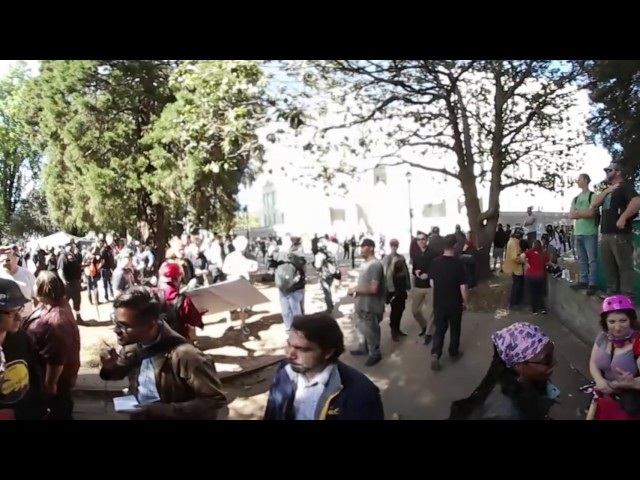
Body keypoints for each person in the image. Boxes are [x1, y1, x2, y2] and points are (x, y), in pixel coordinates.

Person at [99, 287, 227, 420]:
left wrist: (166, 410)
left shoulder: (187, 357)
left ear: (149, 326)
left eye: (124, 326)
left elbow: (214, 400)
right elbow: (119, 372)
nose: (116, 330)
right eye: (115, 322)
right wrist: (110, 368)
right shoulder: (132, 344)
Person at [264, 312, 384, 420]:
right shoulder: (285, 371)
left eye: (302, 349)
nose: (290, 354)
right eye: (289, 345)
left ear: (328, 352)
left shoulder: (361, 394)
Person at [448, 322, 558, 420]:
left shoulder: (526, 378)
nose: (554, 362)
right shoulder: (504, 413)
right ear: (518, 365)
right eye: (546, 360)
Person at [23, 271, 81, 420]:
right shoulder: (48, 304)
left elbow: (56, 358)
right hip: (39, 373)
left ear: (44, 288)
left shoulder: (57, 320)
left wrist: (50, 384)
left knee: (57, 412)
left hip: (53, 381)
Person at [586, 295, 640, 420]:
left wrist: (632, 384)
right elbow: (593, 362)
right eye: (612, 322)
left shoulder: (638, 343)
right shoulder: (603, 337)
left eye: (623, 321)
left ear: (631, 320)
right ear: (605, 322)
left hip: (627, 405)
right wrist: (599, 380)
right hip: (604, 400)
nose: (617, 327)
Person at [0, 278, 46, 420]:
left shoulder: (21, 338)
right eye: (12, 312)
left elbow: (34, 377)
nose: (19, 318)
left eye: (20, 309)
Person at [428, 234, 468, 371]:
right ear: (455, 246)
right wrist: (465, 301)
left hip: (439, 302)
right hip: (454, 302)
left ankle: (435, 353)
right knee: (455, 328)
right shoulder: (458, 263)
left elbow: (432, 282)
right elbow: (463, 286)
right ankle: (453, 352)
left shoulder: (435, 262)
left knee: (439, 329)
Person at [348, 238, 386, 366]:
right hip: (361, 303)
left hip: (370, 305)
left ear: (371, 248)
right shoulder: (365, 264)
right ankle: (363, 347)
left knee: (371, 330)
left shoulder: (375, 265)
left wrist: (355, 289)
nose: (361, 250)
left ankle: (375, 353)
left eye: (363, 247)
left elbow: (374, 288)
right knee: (362, 328)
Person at [382, 239, 410, 341]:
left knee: (401, 309)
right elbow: (386, 275)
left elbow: (406, 272)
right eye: (393, 245)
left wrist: (408, 285)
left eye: (396, 245)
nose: (394, 247)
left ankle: (397, 328)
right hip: (392, 289)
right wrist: (393, 265)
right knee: (395, 311)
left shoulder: (401, 257)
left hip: (401, 287)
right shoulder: (387, 259)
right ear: (390, 246)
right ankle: (393, 330)